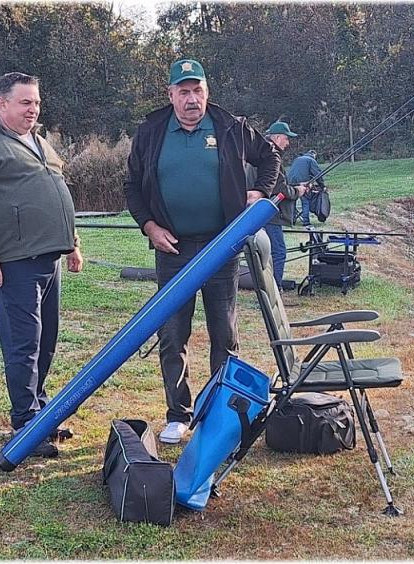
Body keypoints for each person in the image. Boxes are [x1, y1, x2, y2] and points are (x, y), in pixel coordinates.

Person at [124, 59, 280, 444]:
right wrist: (150, 226)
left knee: (223, 333)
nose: (192, 99)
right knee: (172, 332)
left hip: (221, 246)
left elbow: (270, 156)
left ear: (207, 92)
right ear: (171, 95)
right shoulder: (151, 131)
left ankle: (215, 414)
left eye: (198, 91)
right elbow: (132, 186)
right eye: (184, 92)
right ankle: (178, 414)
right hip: (172, 248)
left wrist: (260, 191)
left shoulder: (230, 126)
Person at [0, 72, 83, 458]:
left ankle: (41, 413)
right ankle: (26, 424)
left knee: (46, 340)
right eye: (25, 102)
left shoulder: (40, 142)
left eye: (37, 102)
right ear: (2, 103)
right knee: (23, 343)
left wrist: (72, 243)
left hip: (49, 257)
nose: (33, 109)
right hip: (14, 261)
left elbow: (56, 192)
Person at [260, 121, 308, 289]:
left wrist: (295, 187)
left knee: (267, 252)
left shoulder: (261, 152)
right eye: (286, 139)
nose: (288, 143)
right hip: (270, 213)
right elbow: (278, 188)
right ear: (277, 138)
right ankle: (274, 289)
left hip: (261, 211)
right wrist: (297, 191)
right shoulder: (272, 156)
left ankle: (269, 286)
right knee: (278, 252)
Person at [287, 149, 325, 227]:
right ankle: (306, 221)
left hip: (290, 182)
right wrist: (322, 185)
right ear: (314, 155)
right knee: (305, 201)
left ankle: (292, 220)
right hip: (303, 182)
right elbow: (317, 174)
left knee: (292, 201)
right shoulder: (311, 160)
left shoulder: (297, 159)